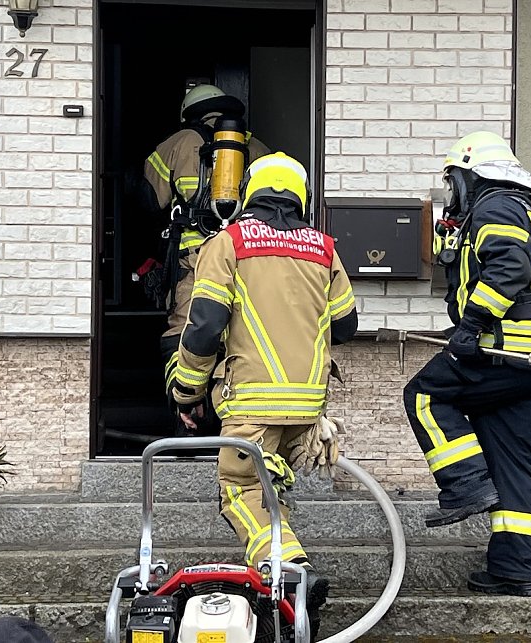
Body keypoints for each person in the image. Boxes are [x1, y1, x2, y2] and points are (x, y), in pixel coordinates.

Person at [171, 152, 358, 633]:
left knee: (241, 490)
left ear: (248, 192)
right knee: (270, 491)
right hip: (308, 407)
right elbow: (347, 325)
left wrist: (187, 390)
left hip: (252, 400)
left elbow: (204, 326)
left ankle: (290, 571)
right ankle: (281, 609)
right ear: (301, 196)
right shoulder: (324, 249)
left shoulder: (229, 243)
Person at [403, 131, 531, 597]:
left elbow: (508, 269)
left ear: (470, 174)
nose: (452, 191)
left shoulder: (496, 206)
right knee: (513, 461)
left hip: (508, 350)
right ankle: (514, 569)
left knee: (423, 396)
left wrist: (473, 323)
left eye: (453, 181)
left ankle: (464, 484)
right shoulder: (528, 209)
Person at [143, 83, 271, 435]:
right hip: (245, 256)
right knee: (241, 334)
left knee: (184, 331)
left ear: (189, 111)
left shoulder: (176, 143)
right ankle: (235, 423)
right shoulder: (257, 148)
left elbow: (149, 199)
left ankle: (184, 414)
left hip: (194, 260)